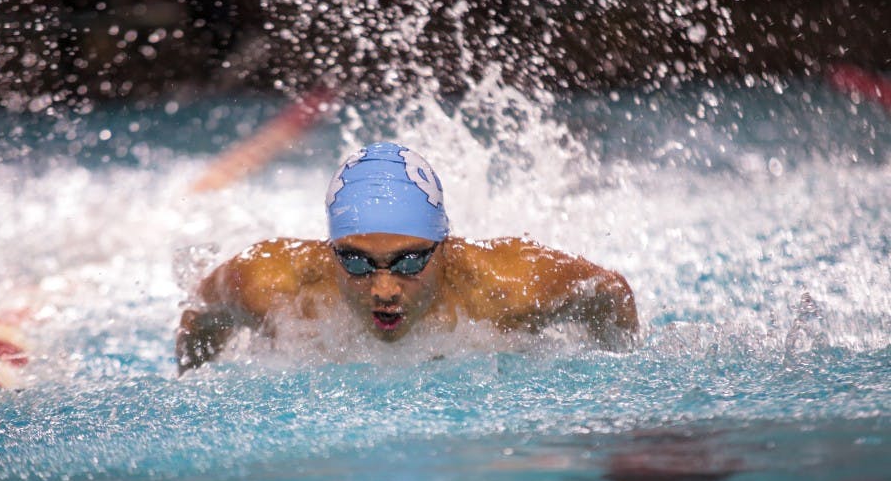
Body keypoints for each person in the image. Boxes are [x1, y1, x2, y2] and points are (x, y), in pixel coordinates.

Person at [176, 142, 639, 374]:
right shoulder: (270, 283)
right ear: (330, 249)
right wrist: (191, 384)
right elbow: (200, 314)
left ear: (445, 247)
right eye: (356, 262)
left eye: (409, 262)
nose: (383, 290)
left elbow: (611, 292)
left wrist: (615, 367)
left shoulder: (511, 288)